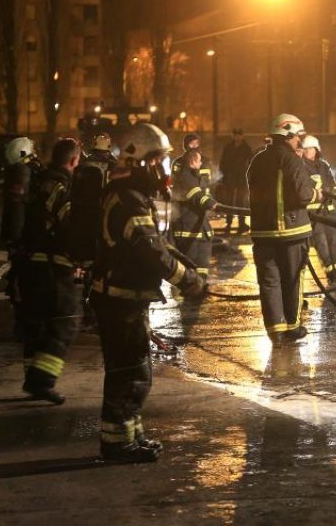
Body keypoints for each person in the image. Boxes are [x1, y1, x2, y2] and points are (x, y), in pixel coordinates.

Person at [90, 141, 206, 463]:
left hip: (123, 297)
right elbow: (152, 253)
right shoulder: (129, 202)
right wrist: (189, 281)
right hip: (121, 299)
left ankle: (130, 436)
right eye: (160, 160)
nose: (164, 169)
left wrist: (189, 268)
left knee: (130, 370)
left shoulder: (131, 196)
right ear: (144, 163)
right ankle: (117, 445)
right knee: (131, 371)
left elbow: (160, 244)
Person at [247, 113, 320, 344]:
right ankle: (292, 326)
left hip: (263, 233)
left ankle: (276, 332)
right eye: (297, 136)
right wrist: (317, 192)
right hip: (292, 233)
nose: (299, 140)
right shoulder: (291, 159)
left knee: (269, 282)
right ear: (287, 135)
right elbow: (304, 194)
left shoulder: (257, 160)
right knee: (292, 279)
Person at [20, 138, 82, 404]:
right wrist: (80, 259)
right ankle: (42, 381)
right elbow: (69, 228)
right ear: (73, 161)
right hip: (54, 265)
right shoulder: (62, 187)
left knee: (38, 322)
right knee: (66, 320)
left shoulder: (39, 182)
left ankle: (32, 376)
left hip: (28, 264)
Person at [69, 133, 119, 324]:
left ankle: (87, 301)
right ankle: (102, 301)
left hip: (86, 218)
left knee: (88, 261)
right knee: (104, 262)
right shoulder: (114, 165)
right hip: (107, 218)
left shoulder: (84, 165)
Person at [0, 136, 42, 345]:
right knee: (25, 281)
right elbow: (17, 211)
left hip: (22, 239)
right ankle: (29, 323)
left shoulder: (18, 173)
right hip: (29, 238)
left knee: (20, 282)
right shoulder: (27, 173)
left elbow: (13, 211)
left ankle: (25, 322)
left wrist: (11, 239)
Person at [301, 135, 336, 285]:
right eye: (306, 149)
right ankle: (329, 269)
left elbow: (333, 183)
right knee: (321, 241)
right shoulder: (301, 167)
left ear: (316, 149)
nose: (308, 151)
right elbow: (305, 189)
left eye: (311, 149)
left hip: (328, 209)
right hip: (314, 212)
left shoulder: (323, 165)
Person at [171, 148, 218, 280]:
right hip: (188, 230)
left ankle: (200, 289)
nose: (201, 162)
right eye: (199, 160)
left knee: (202, 268)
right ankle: (190, 294)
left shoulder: (194, 176)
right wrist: (212, 204)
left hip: (199, 228)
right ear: (192, 161)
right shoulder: (185, 178)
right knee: (191, 269)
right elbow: (196, 195)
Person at [219, 127, 253, 235]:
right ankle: (228, 224)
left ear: (242, 136)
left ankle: (241, 225)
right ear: (233, 136)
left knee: (240, 203)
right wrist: (226, 174)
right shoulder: (228, 148)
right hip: (230, 179)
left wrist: (247, 175)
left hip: (241, 180)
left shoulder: (246, 148)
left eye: (239, 135)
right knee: (229, 202)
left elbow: (251, 162)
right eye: (236, 135)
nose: (237, 137)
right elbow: (222, 163)